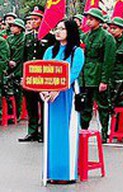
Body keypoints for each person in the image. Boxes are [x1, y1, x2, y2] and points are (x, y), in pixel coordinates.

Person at [42, 19, 85, 184]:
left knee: (66, 133)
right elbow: (42, 72)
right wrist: (44, 90)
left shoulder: (76, 52)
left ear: (71, 31)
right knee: (52, 133)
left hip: (68, 96)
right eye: (56, 28)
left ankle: (67, 174)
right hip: (50, 98)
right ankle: (51, 172)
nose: (58, 31)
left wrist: (58, 89)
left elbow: (73, 74)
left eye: (62, 29)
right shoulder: (49, 51)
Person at [79, 8, 116, 142]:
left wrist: (104, 80)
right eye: (87, 18)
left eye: (91, 19)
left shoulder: (107, 37)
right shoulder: (84, 37)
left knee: (103, 106)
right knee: (85, 106)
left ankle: (104, 132)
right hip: (85, 76)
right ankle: (83, 131)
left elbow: (108, 61)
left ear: (99, 21)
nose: (88, 21)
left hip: (98, 75)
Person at [20, 7, 56, 142]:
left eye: (36, 19)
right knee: (31, 104)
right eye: (31, 19)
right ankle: (32, 131)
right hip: (30, 76)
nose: (33, 22)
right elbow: (24, 58)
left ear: (42, 20)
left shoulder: (50, 37)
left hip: (44, 76)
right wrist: (23, 76)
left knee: (44, 103)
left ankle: (44, 131)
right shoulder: (28, 37)